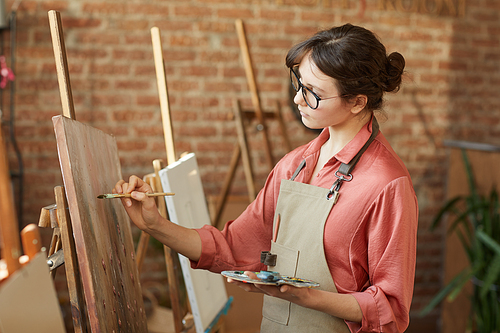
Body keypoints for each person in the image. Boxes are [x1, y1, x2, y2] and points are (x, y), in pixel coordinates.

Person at [114, 23, 418, 333]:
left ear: (357, 102)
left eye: (313, 94)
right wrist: (155, 225)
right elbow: (231, 248)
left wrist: (309, 298)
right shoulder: (294, 166)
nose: (298, 99)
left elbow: (391, 311)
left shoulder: (386, 184)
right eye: (299, 85)